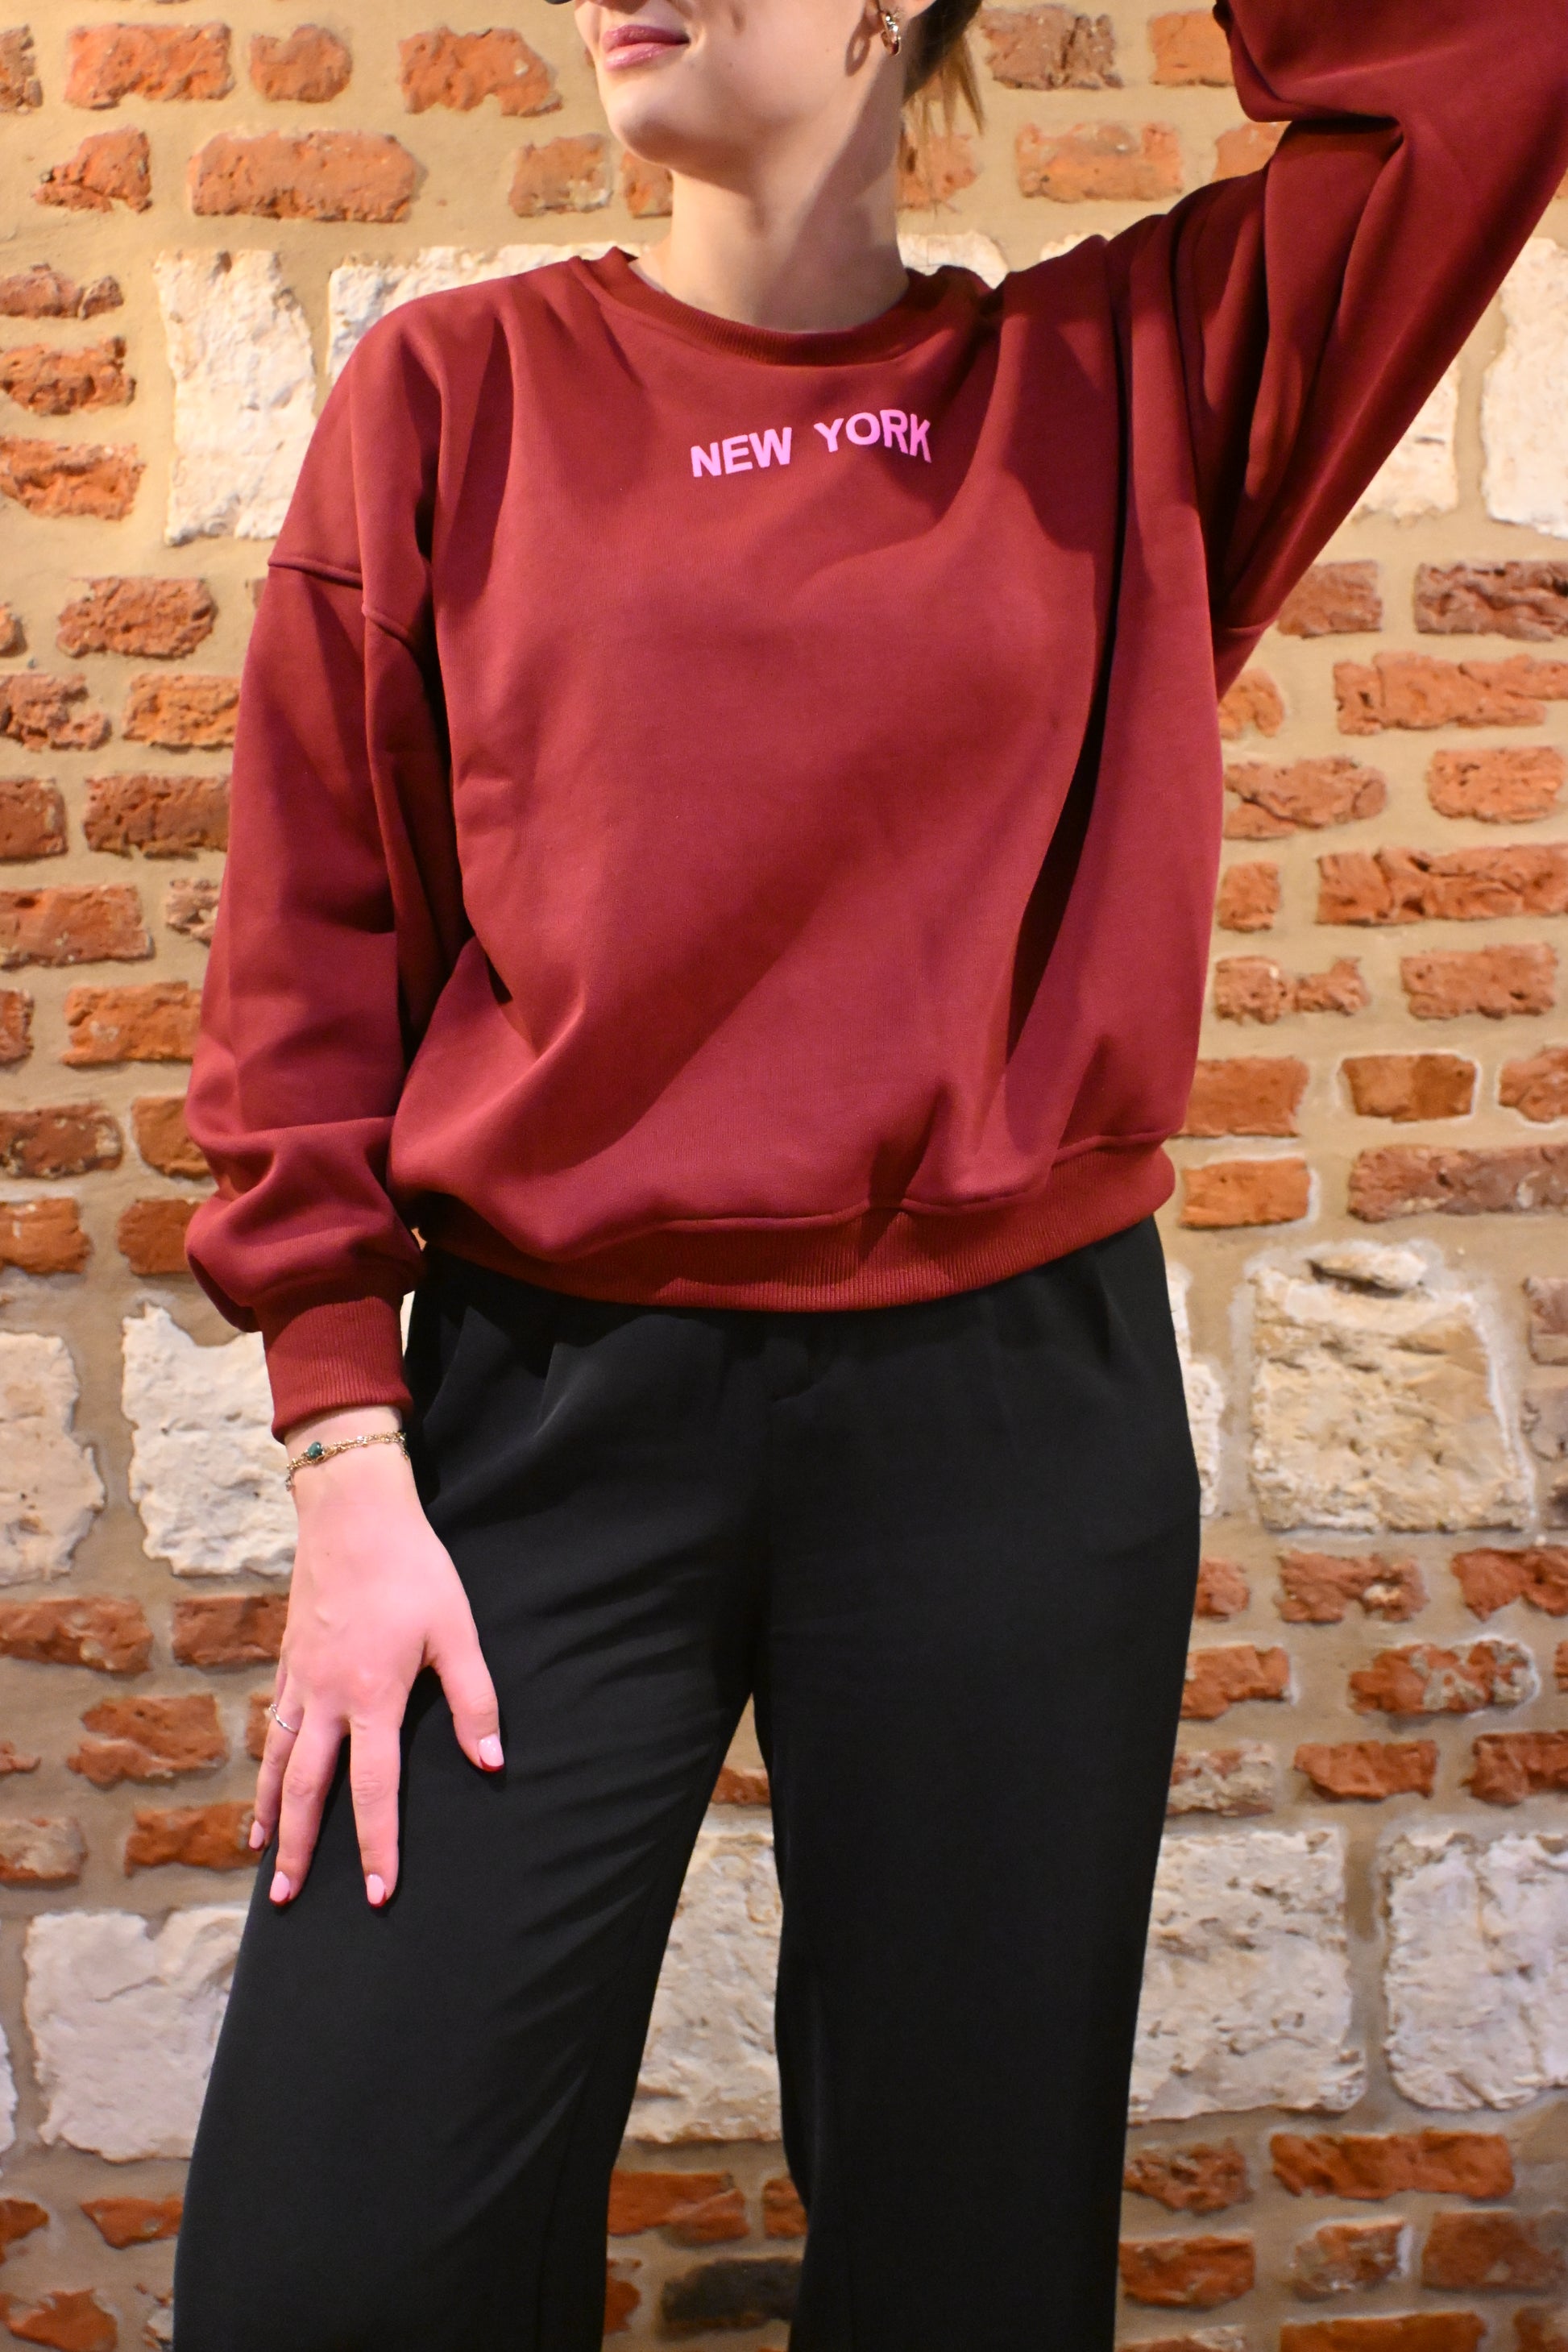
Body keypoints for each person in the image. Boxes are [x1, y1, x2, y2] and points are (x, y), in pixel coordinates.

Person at [170, 1, 1568, 2345]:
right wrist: (341, 1441)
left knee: (966, 2265)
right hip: (542, 1416)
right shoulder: (457, 393)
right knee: (339, 2262)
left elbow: (1489, 58)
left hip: (1008, 1424)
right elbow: (308, 946)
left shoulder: (1123, 383)